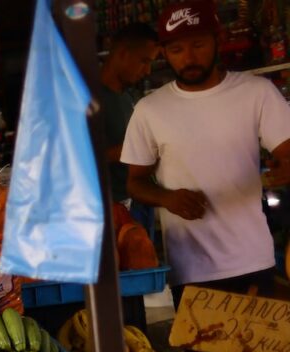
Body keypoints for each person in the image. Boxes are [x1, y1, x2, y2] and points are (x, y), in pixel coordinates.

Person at [123, 0, 290, 303]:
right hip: (191, 270)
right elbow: (135, 181)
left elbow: (286, 149)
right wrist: (168, 198)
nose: (188, 58)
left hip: (253, 259)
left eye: (198, 45)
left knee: (261, 351)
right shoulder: (149, 110)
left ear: (219, 41)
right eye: (176, 50)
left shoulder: (256, 92)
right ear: (164, 54)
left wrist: (284, 167)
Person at [98, 24, 161, 208]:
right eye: (144, 61)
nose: (148, 71)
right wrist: (134, 149)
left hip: (141, 197)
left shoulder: (129, 96)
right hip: (112, 206)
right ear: (123, 53)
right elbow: (77, 159)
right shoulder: (88, 101)